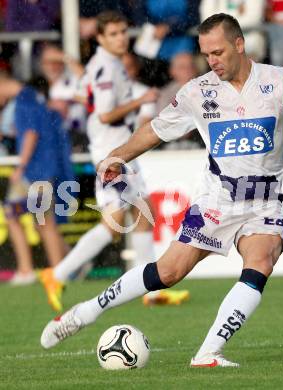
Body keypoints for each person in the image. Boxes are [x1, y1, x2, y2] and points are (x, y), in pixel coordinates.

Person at [41, 13, 283, 367]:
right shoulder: (198, 91)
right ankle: (84, 312)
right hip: (216, 201)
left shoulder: (280, 82)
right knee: (167, 273)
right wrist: (117, 156)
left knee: (263, 259)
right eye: (206, 54)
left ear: (239, 45)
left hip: (263, 203)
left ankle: (208, 352)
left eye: (218, 52)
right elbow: (154, 130)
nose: (212, 61)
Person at [38, 11, 189, 312]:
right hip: (112, 153)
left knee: (144, 214)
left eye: (123, 32)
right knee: (115, 221)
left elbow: (87, 95)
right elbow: (105, 114)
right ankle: (56, 274)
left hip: (120, 149)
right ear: (100, 38)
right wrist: (140, 100)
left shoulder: (104, 64)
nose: (122, 38)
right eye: (115, 34)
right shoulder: (106, 68)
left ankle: (152, 289)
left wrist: (74, 66)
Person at [0, 75, 71, 285]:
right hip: (45, 167)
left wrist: (21, 166)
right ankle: (64, 266)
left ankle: (48, 271)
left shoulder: (23, 101)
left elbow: (31, 134)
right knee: (38, 221)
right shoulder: (34, 97)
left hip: (34, 171)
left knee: (39, 221)